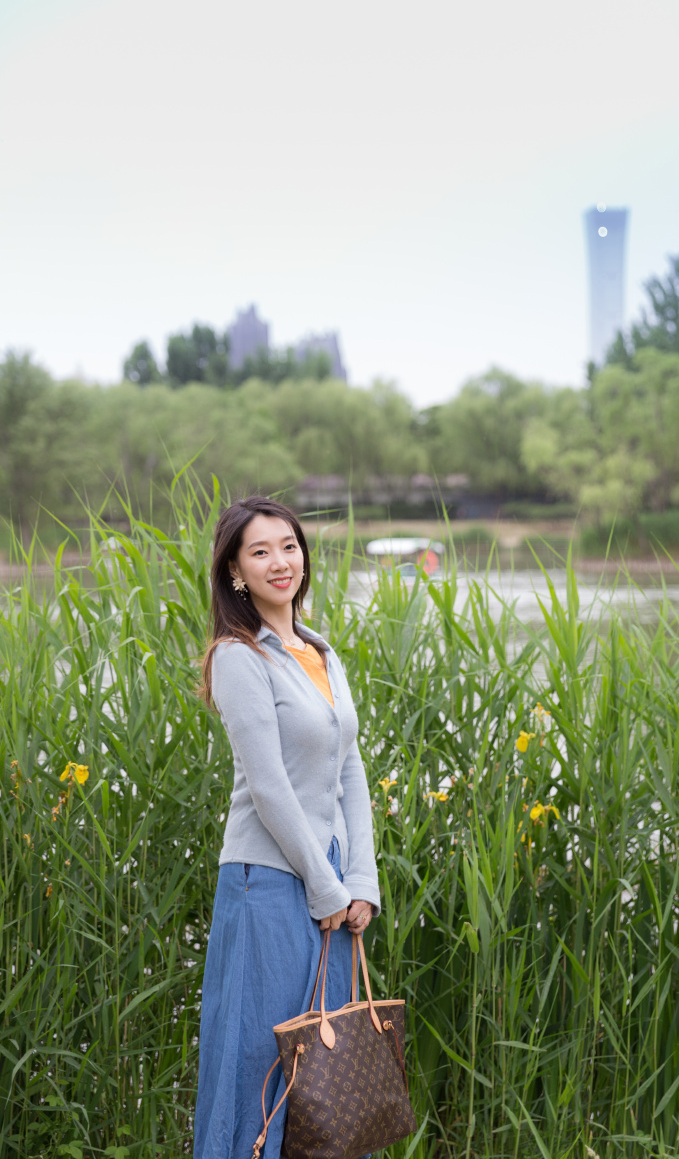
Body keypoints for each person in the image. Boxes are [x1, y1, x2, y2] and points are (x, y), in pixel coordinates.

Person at [193, 495, 380, 1159]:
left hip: (326, 879)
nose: (280, 562)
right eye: (260, 551)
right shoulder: (239, 657)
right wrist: (324, 885)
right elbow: (268, 786)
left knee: (317, 1070)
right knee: (259, 1061)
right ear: (236, 573)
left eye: (289, 546)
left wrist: (359, 879)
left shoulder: (322, 653)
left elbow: (350, 769)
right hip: (267, 880)